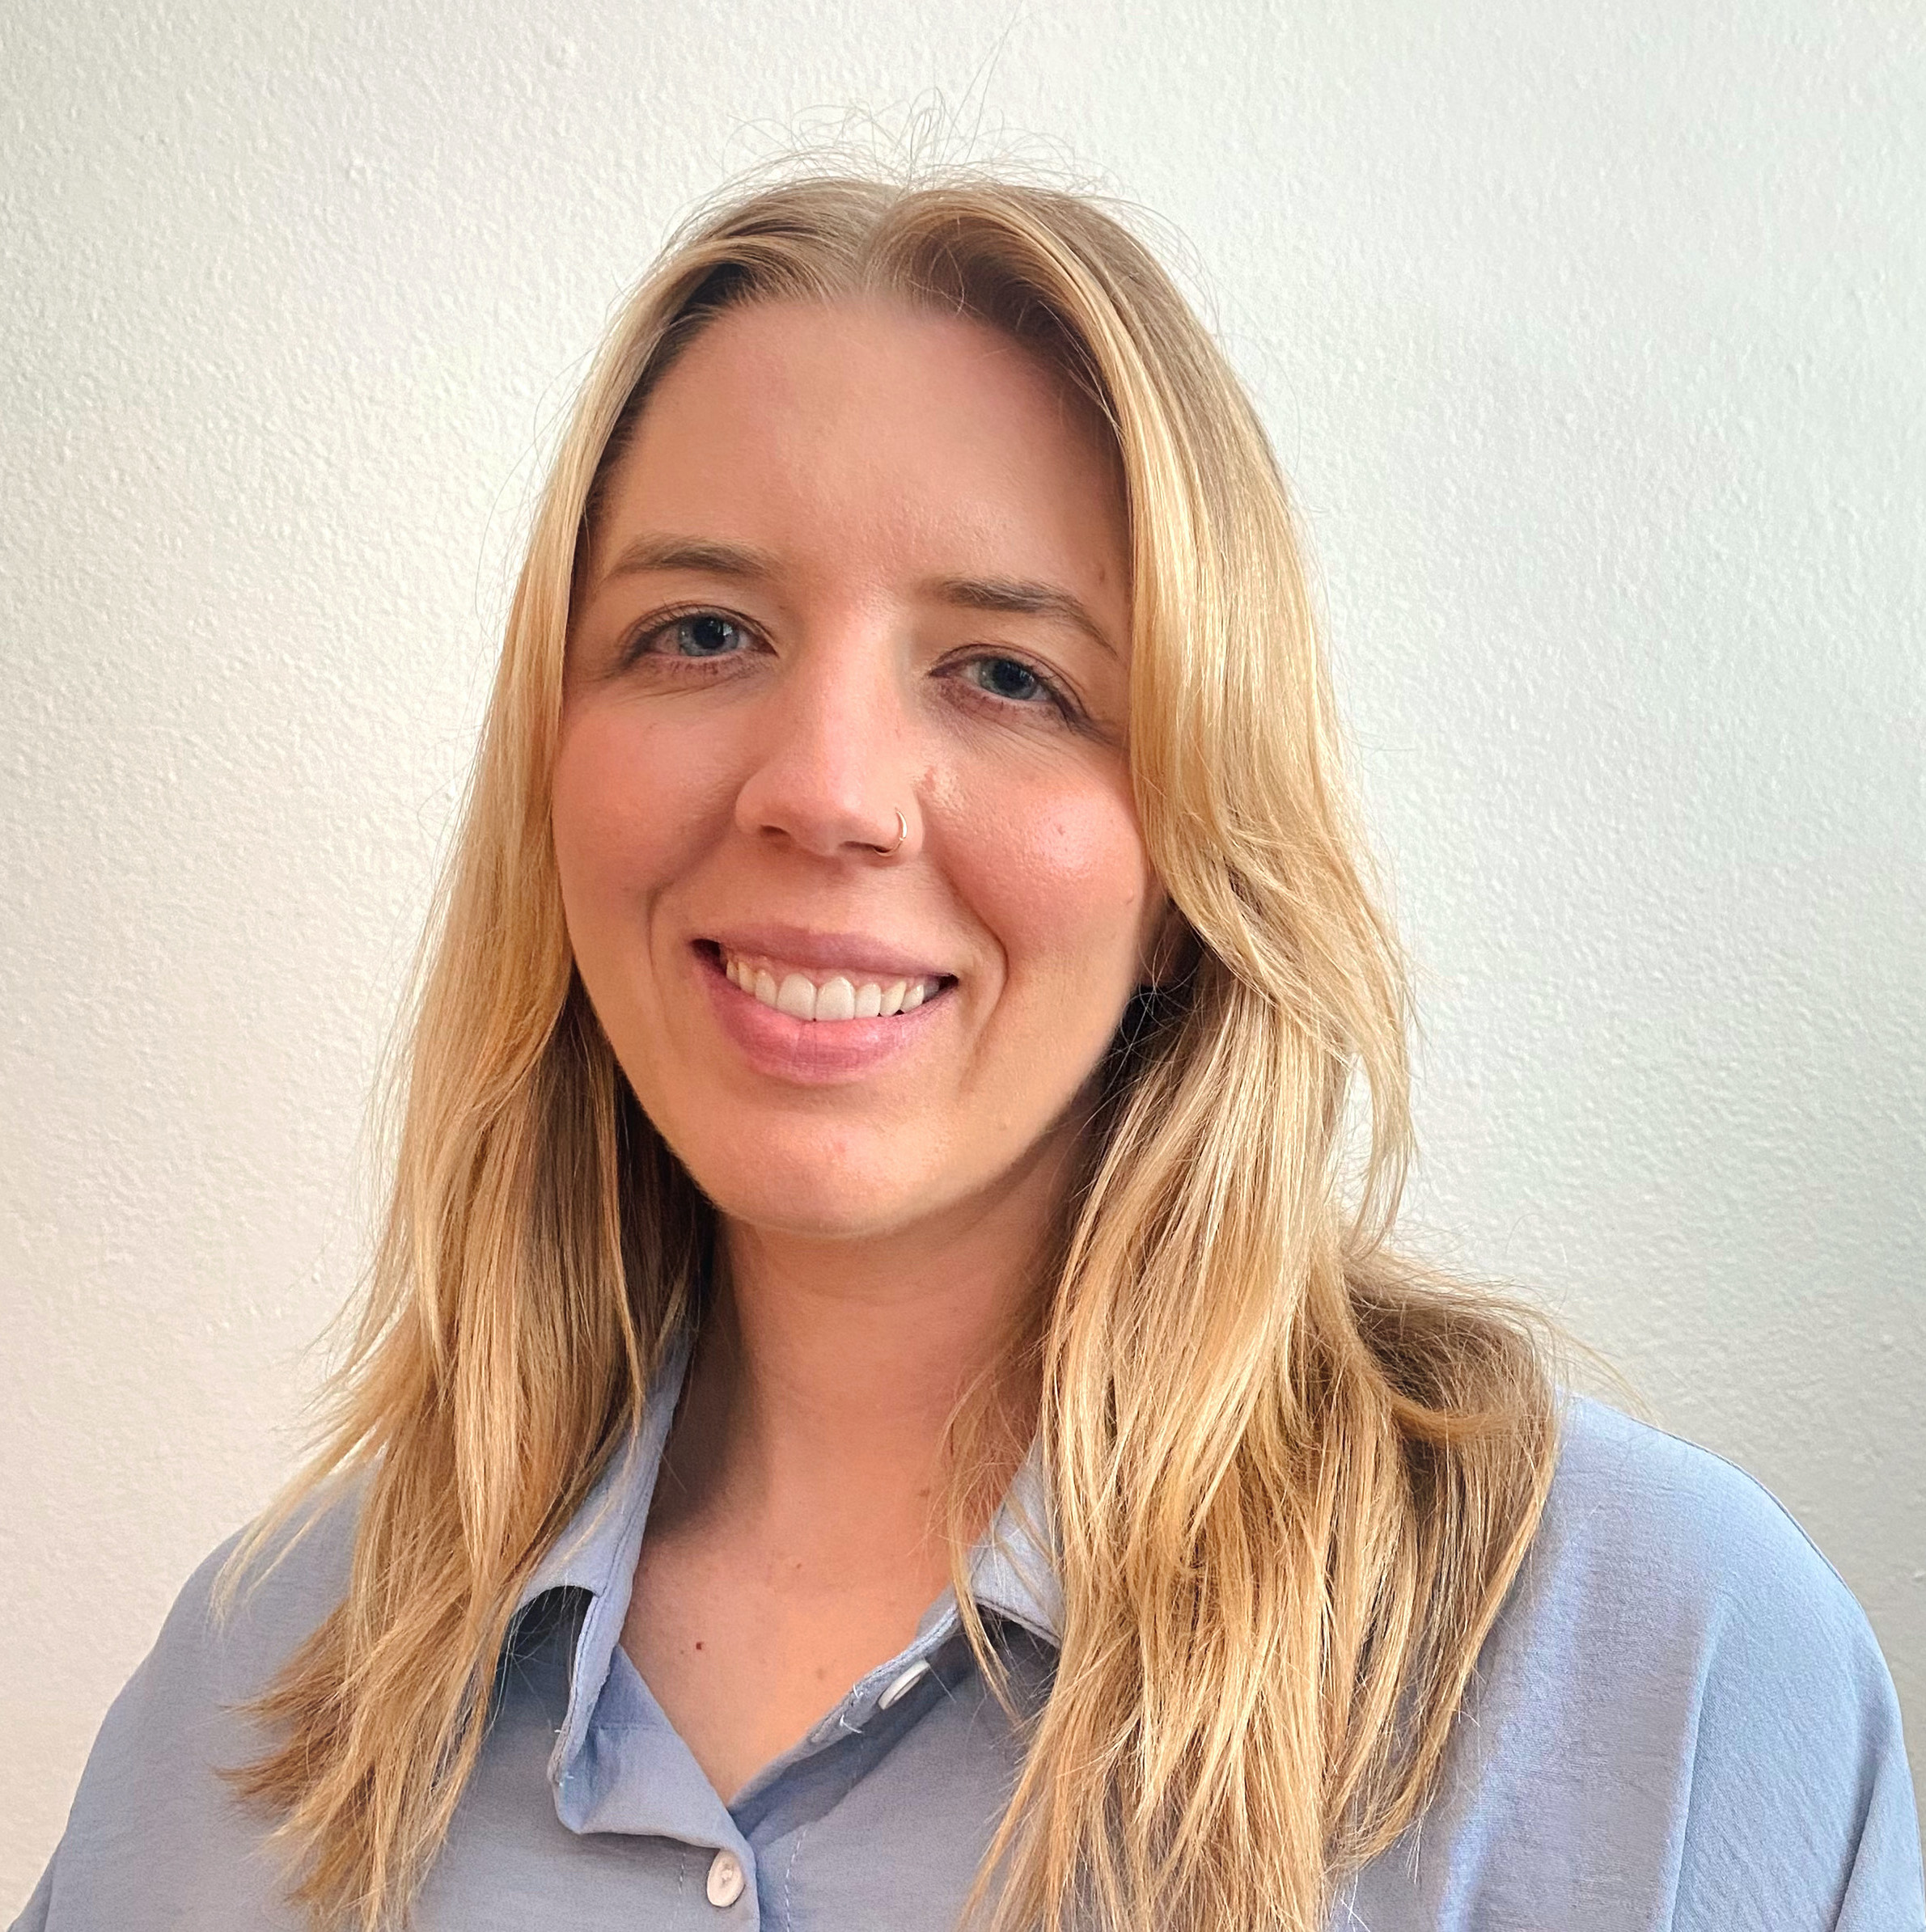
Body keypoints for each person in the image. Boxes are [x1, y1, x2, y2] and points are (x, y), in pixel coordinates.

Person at [13, 166, 1922, 1932]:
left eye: (1010, 674)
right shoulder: (260, 1686)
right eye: (699, 632)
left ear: (1194, 848)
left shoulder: (1657, 1675)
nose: (828, 791)